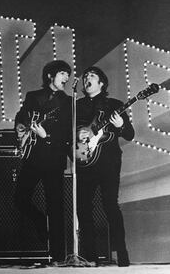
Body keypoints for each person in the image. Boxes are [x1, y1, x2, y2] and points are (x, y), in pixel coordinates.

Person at [14, 60, 72, 265]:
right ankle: (40, 221)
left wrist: (46, 135)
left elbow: (67, 133)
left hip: (54, 159)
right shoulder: (33, 96)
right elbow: (21, 117)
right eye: (63, 73)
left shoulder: (68, 102)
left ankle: (58, 256)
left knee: (55, 207)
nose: (66, 78)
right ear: (50, 75)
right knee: (20, 197)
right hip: (33, 156)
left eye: (68, 74)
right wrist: (21, 129)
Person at [76, 66, 134, 267]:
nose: (86, 80)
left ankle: (123, 255)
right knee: (83, 208)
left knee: (110, 206)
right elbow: (68, 133)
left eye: (91, 76)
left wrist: (120, 126)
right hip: (85, 161)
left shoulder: (115, 105)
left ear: (101, 83)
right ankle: (90, 257)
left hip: (108, 163)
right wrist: (78, 135)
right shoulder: (77, 105)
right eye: (85, 77)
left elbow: (129, 134)